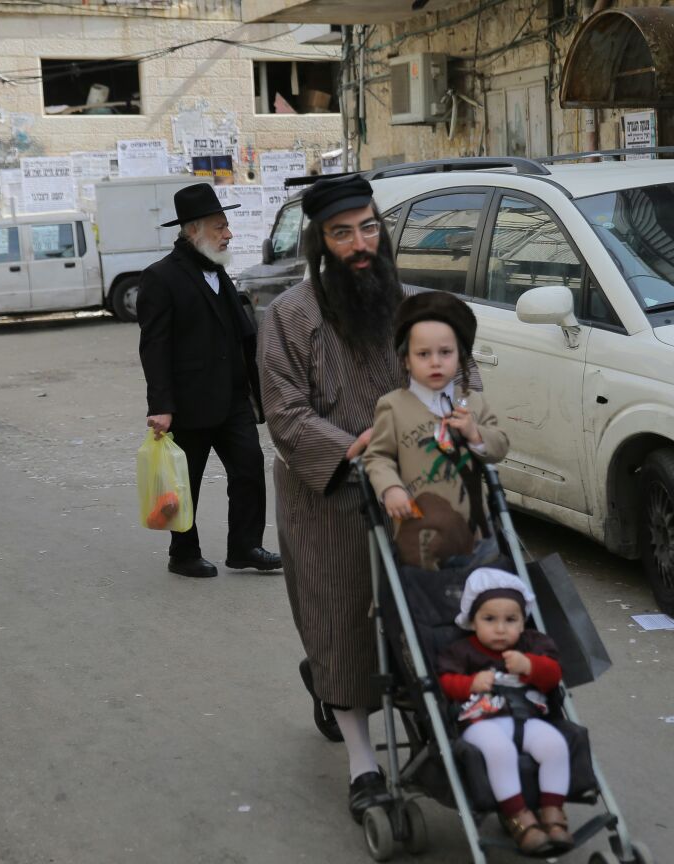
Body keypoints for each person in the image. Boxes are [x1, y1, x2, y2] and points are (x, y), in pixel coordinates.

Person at [258, 174, 415, 821]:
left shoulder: (412, 306)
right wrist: (363, 453)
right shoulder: (289, 317)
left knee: (423, 618)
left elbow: (456, 374)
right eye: (343, 232)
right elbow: (287, 417)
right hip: (329, 500)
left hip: (412, 495)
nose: (360, 244)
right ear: (320, 241)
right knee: (342, 623)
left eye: (369, 228)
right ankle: (363, 761)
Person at [137, 183, 281, 579]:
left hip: (233, 397)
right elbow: (154, 347)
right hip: (189, 402)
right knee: (187, 482)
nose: (228, 233)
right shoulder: (161, 278)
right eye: (219, 227)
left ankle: (245, 546)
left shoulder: (218, 270)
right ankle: (183, 553)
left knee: (249, 466)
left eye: (227, 225)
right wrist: (161, 405)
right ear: (193, 230)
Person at [363, 291, 509, 570]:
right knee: (433, 605)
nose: (435, 362)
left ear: (460, 356)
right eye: (423, 354)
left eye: (445, 353)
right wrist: (390, 488)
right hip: (421, 533)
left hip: (478, 533)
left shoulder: (472, 402)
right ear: (406, 360)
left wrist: (475, 434)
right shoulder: (393, 406)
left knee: (480, 602)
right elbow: (377, 456)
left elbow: (500, 444)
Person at [438, 568, 573, 855]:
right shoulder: (461, 651)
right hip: (481, 722)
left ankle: (552, 812)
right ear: (473, 622)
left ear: (523, 623)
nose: (501, 628)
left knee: (555, 745)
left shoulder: (533, 645)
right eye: (489, 619)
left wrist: (531, 667)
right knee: (501, 752)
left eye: (511, 620)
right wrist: (470, 683)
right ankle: (518, 816)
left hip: (527, 717)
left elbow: (553, 675)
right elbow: (446, 683)